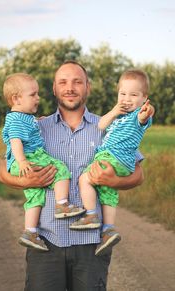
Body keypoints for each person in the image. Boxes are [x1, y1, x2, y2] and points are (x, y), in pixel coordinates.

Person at [0, 61, 144, 291]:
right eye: (63, 82)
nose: (70, 87)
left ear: (88, 87)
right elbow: (3, 171)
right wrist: (24, 180)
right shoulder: (37, 127)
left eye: (77, 81)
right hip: (46, 241)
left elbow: (138, 174)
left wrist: (114, 181)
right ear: (54, 89)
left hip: (91, 245)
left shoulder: (110, 125)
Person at [70, 69, 155, 256]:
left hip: (114, 157)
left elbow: (143, 117)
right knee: (108, 190)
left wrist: (146, 111)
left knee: (84, 179)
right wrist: (115, 111)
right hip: (120, 162)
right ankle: (108, 229)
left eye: (134, 95)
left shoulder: (137, 116)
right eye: (123, 93)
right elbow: (101, 125)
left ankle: (91, 215)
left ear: (144, 98)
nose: (127, 98)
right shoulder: (120, 117)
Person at [2, 73, 85, 251]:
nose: (38, 98)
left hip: (23, 160)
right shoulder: (17, 119)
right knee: (60, 169)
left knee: (35, 195)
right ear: (16, 99)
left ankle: (30, 231)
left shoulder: (22, 117)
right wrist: (23, 161)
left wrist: (36, 122)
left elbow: (25, 131)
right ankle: (62, 204)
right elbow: (15, 140)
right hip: (30, 157)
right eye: (33, 95)